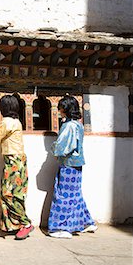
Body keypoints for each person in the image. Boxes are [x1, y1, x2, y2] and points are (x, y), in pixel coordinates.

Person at [48, 96, 97, 239]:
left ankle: (61, 227)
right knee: (75, 194)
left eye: (61, 107)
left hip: (68, 165)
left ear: (67, 109)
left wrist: (53, 149)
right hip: (77, 164)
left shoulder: (69, 126)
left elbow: (62, 146)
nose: (59, 110)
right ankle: (86, 222)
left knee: (63, 195)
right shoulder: (78, 124)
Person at [0, 95, 34, 240]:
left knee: (8, 194)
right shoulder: (17, 122)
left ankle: (25, 222)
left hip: (12, 161)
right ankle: (16, 224)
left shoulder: (7, 122)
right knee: (17, 194)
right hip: (19, 160)